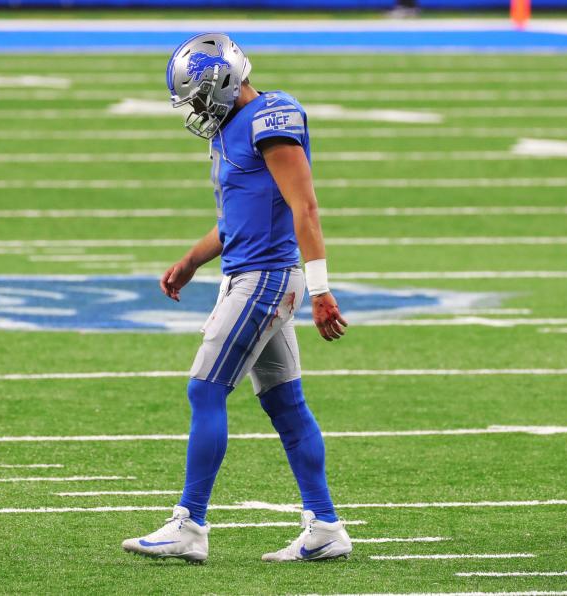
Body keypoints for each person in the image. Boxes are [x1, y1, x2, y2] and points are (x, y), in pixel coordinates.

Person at [121, 32, 351, 564]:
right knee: (285, 405)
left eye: (201, 96)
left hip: (265, 279)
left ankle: (189, 525)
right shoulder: (232, 130)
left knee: (205, 391)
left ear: (225, 82)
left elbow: (306, 208)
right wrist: (190, 260)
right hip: (252, 273)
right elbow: (237, 221)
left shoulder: (273, 118)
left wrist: (321, 290)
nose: (198, 109)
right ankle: (325, 527)